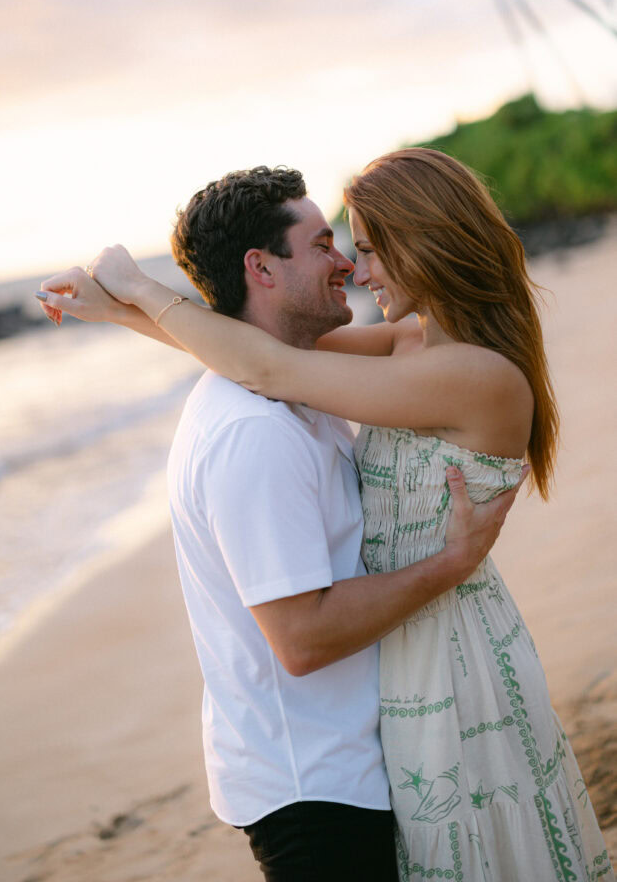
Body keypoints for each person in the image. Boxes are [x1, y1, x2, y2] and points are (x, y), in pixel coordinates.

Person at [38, 151, 614, 881]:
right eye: (343, 248)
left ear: (426, 240)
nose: (359, 270)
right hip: (395, 663)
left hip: (449, 648)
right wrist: (116, 310)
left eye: (370, 249)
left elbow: (272, 368)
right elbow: (259, 352)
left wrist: (139, 287)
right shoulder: (408, 346)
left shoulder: (475, 376)